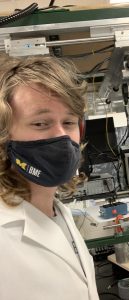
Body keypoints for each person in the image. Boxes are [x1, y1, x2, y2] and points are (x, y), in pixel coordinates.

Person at [0, 55, 99, 300]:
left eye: (69, 122)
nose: (62, 137)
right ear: (4, 136)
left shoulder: (59, 212)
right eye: (41, 123)